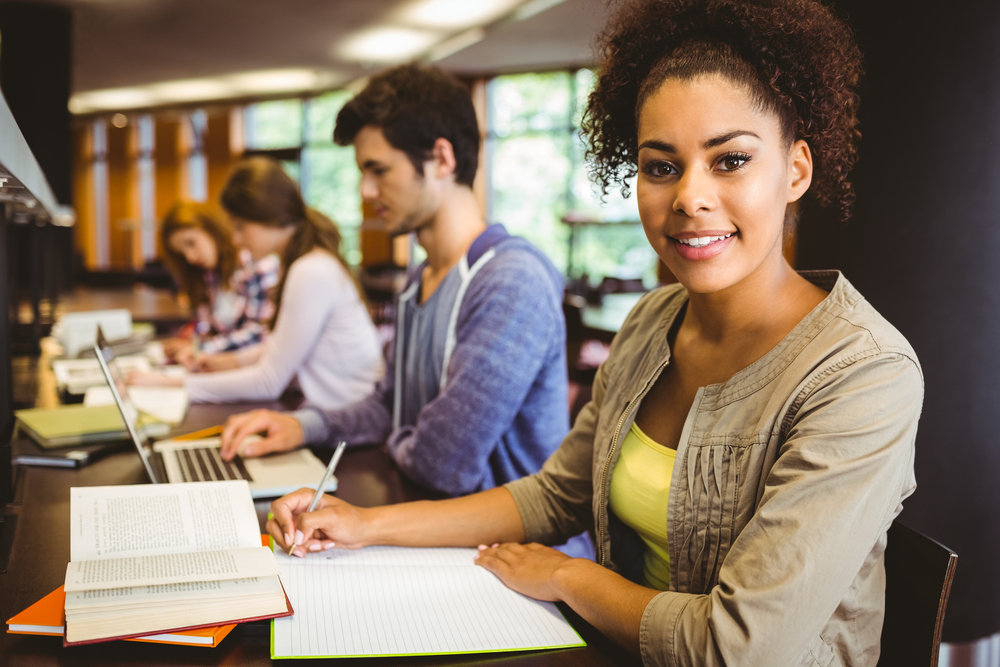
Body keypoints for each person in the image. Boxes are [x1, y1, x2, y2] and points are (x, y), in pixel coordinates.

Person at [263, 1, 924, 665]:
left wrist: (567, 575)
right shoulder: (650, 324)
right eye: (662, 166)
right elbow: (554, 494)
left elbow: (736, 647)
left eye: (730, 160)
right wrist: (362, 524)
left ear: (797, 170)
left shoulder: (862, 372)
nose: (689, 197)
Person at [220, 63, 570, 498]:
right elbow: (391, 408)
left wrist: (401, 440)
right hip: (437, 526)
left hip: (516, 554)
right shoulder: (419, 280)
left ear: (441, 159)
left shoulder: (509, 282)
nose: (365, 191)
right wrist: (302, 426)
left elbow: (442, 464)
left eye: (378, 170)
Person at [133, 158, 383, 411]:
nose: (236, 239)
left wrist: (174, 384)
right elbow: (280, 347)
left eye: (240, 226)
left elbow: (268, 382)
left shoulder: (310, 270)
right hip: (333, 413)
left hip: (348, 423)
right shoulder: (307, 262)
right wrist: (228, 362)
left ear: (267, 215)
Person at [158, 200, 279, 369]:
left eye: (191, 243)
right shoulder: (209, 277)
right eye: (182, 253)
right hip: (224, 372)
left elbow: (260, 335)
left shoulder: (257, 265)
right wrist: (190, 344)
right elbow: (215, 330)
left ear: (211, 229)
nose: (190, 257)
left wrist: (201, 348)